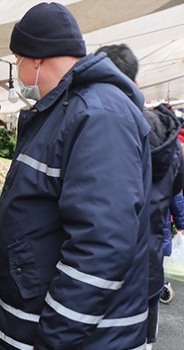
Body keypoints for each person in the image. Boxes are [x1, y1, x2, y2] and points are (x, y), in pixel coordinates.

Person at [0, 3, 151, 349]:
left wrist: (54, 338)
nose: (18, 69)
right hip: (36, 320)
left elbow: (101, 246)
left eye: (18, 60)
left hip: (85, 338)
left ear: (37, 59)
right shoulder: (65, 109)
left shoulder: (99, 116)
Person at [96, 44, 184, 349]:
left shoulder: (100, 125)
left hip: (105, 269)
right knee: (144, 338)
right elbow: (175, 189)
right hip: (149, 260)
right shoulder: (167, 135)